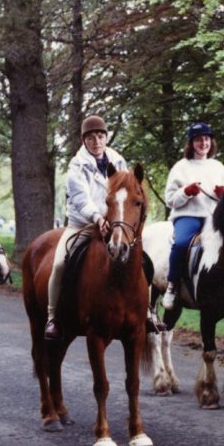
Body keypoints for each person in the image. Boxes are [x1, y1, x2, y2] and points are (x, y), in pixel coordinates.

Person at [44, 115, 128, 340]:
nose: (97, 142)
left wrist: (115, 219)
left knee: (140, 257)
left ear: (106, 137)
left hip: (113, 223)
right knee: (60, 264)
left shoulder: (119, 162)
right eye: (91, 138)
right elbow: (81, 199)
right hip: (82, 224)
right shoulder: (76, 165)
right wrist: (98, 218)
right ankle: (52, 317)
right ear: (84, 141)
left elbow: (124, 193)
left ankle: (147, 311)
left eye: (100, 136)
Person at [161, 121, 224, 310]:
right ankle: (172, 285)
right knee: (181, 243)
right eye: (199, 140)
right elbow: (169, 200)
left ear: (211, 142)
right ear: (191, 143)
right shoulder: (180, 167)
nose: (203, 143)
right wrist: (186, 192)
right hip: (188, 216)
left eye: (206, 139)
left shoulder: (219, 167)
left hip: (213, 217)